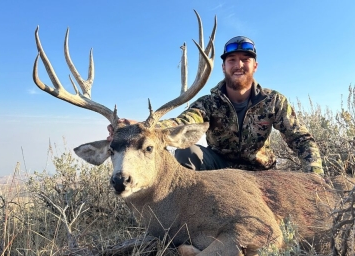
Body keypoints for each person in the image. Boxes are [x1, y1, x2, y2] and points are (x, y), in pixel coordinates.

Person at [108, 36, 324, 175]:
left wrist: (315, 176)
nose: (238, 65)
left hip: (261, 173)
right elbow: (183, 122)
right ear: (223, 66)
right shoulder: (209, 103)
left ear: (255, 66)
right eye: (232, 60)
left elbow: (301, 139)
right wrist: (141, 128)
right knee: (186, 153)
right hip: (219, 171)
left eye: (245, 59)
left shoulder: (274, 101)